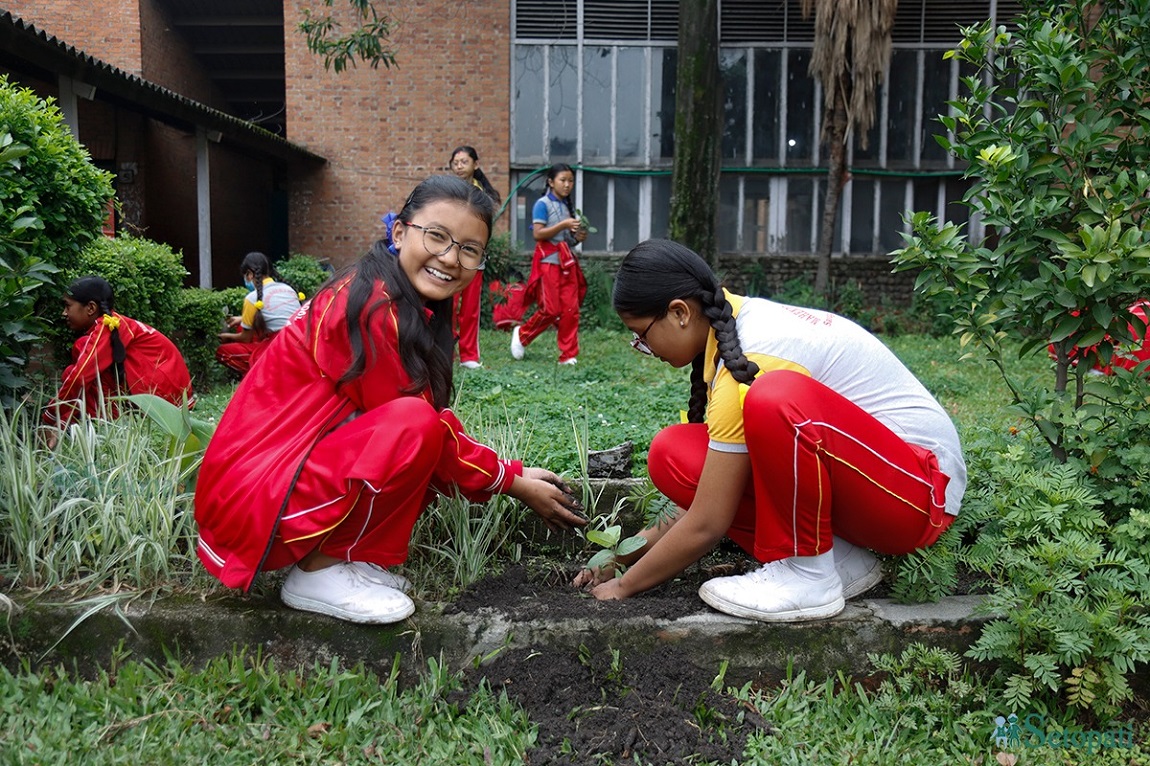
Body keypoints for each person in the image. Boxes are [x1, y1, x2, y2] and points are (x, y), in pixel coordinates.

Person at [194, 175, 587, 624]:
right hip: (253, 496)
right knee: (413, 426)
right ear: (399, 232)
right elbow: (419, 425)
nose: (449, 258)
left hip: (275, 477)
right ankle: (316, 572)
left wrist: (507, 474)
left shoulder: (396, 296)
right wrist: (510, 480)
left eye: (468, 249)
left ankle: (347, 559)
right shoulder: (371, 308)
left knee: (417, 424)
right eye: (436, 236)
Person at [574, 239, 967, 623]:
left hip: (918, 494)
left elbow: (707, 523)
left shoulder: (750, 358)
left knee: (774, 395)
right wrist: (619, 557)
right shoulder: (732, 336)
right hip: (871, 484)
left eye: (641, 335)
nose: (642, 347)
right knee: (674, 454)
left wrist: (625, 587)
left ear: (679, 312)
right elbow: (702, 501)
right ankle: (841, 561)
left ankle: (806, 576)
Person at [42, 276, 194, 446]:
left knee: (79, 364)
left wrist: (50, 417)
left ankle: (99, 428)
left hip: (166, 406)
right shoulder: (113, 323)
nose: (64, 313)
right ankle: (87, 426)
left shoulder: (107, 326)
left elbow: (80, 377)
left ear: (91, 308)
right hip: (175, 400)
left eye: (68, 306)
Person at [510, 163, 587, 365]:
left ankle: (568, 354)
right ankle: (522, 334)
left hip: (566, 262)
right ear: (551, 182)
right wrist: (563, 224)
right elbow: (538, 234)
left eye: (570, 181)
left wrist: (577, 237)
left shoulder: (566, 206)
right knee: (550, 310)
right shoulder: (542, 204)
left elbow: (565, 240)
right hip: (548, 262)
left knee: (571, 308)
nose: (567, 185)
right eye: (563, 180)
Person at [449, 146, 500, 370]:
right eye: (456, 162)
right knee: (447, 305)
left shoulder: (483, 196)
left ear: (475, 165)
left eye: (464, 162)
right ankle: (445, 350)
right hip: (449, 255)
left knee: (469, 308)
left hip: (473, 255)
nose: (459, 166)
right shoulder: (448, 191)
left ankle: (468, 355)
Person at [216, 251, 302, 375]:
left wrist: (227, 337)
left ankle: (260, 374)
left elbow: (245, 338)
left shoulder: (252, 298)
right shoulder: (289, 289)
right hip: (298, 343)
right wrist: (242, 319)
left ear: (250, 274)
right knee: (243, 326)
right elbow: (277, 314)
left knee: (223, 351)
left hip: (278, 346)